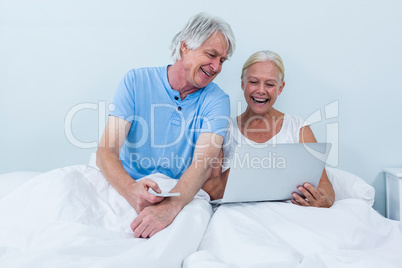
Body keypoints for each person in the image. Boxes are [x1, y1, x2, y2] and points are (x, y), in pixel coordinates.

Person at [96, 12, 236, 238]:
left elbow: (203, 161)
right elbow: (105, 150)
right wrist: (131, 190)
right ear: (185, 47)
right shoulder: (135, 81)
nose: (216, 66)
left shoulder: (217, 100)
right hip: (126, 185)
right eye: (211, 55)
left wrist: (171, 206)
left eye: (222, 60)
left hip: (177, 192)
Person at [202, 50, 335, 207]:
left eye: (270, 84)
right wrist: (237, 173)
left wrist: (324, 200)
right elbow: (208, 191)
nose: (261, 90)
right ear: (242, 84)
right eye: (253, 82)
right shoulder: (223, 130)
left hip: (289, 215)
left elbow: (325, 185)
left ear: (280, 88)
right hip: (238, 216)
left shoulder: (298, 128)